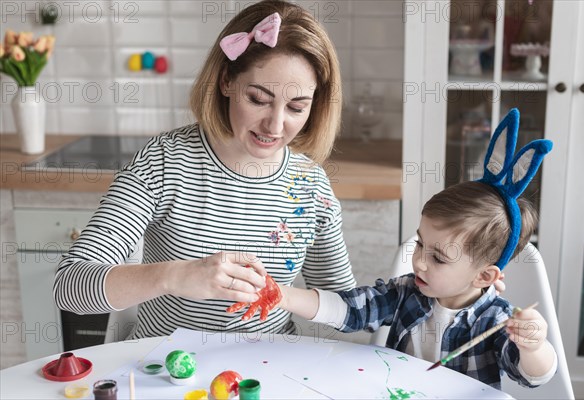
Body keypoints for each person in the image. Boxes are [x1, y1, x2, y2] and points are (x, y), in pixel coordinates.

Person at [53, 0, 357, 338]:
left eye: (297, 107)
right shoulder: (164, 163)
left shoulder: (310, 185)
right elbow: (70, 285)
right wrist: (173, 276)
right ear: (226, 81)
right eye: (258, 99)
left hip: (268, 369)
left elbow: (346, 307)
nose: (275, 125)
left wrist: (282, 297)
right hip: (165, 368)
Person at [227, 109, 558, 390]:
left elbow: (533, 376)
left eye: (438, 257)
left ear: (484, 275)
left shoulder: (495, 320)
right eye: (420, 244)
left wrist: (534, 345)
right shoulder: (406, 293)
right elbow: (347, 309)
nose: (420, 262)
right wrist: (281, 295)